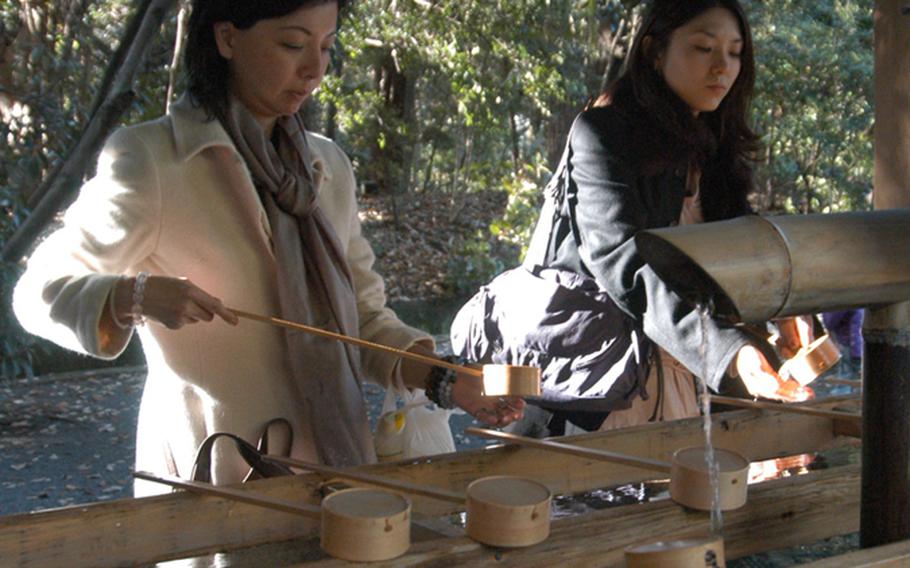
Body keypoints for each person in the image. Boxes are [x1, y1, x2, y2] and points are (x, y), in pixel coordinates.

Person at [13, 0, 522, 496]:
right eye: (292, 44)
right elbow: (38, 291)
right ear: (227, 36)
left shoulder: (327, 167)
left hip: (335, 471)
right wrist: (133, 295)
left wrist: (445, 380)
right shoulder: (153, 161)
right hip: (220, 473)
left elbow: (363, 321)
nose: (313, 69)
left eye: (325, 47)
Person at [452, 0, 809, 436]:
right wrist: (726, 353)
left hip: (685, 388)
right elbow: (626, 265)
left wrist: (785, 306)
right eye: (703, 48)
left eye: (735, 53)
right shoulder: (601, 135)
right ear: (654, 51)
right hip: (593, 389)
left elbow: (744, 254)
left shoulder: (714, 154)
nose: (723, 67)